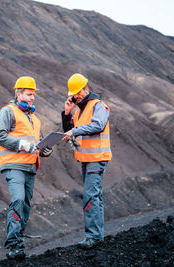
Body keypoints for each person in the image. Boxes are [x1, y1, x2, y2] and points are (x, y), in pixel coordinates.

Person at [0, 76, 52, 260]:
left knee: (25, 206)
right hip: (13, 165)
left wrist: (46, 150)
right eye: (28, 94)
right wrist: (22, 145)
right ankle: (12, 246)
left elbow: (38, 144)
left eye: (33, 95)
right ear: (18, 94)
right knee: (18, 200)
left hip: (30, 167)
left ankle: (19, 244)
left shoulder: (35, 119)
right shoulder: (7, 112)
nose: (32, 98)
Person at [61, 73, 112, 249]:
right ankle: (97, 236)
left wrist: (74, 132)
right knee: (94, 196)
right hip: (86, 158)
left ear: (86, 89)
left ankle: (93, 237)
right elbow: (70, 129)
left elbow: (98, 125)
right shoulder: (79, 111)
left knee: (91, 195)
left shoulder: (98, 106)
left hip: (97, 158)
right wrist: (67, 114)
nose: (76, 96)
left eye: (78, 92)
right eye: (74, 93)